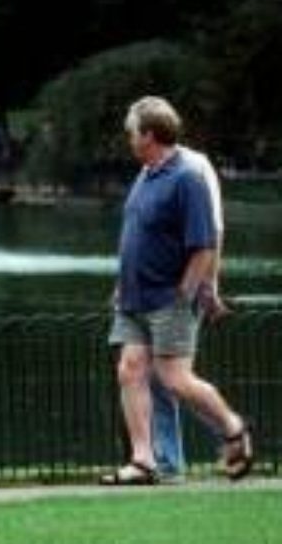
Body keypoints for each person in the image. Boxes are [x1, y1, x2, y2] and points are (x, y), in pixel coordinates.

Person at [100, 96, 253, 486]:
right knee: (130, 370)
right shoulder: (145, 175)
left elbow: (204, 244)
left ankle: (233, 428)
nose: (129, 140)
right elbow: (135, 234)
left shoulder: (187, 177)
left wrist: (183, 293)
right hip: (133, 298)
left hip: (168, 299)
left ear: (149, 134)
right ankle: (143, 461)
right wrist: (121, 284)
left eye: (133, 133)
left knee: (175, 380)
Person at [150, 143, 229, 481]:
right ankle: (169, 463)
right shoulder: (150, 169)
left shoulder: (196, 166)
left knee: (174, 379)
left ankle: (232, 432)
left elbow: (213, 231)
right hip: (155, 289)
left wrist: (209, 285)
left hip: (181, 289)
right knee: (158, 379)